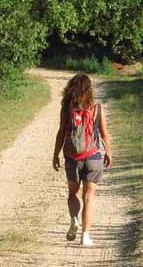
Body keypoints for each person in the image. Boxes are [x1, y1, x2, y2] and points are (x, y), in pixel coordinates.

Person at [52, 73, 113, 246]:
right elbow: (104, 135)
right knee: (89, 196)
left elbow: (61, 133)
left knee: (73, 193)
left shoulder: (66, 108)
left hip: (72, 158)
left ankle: (74, 219)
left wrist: (55, 154)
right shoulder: (97, 109)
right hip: (93, 157)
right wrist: (108, 152)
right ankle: (85, 236)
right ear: (89, 90)